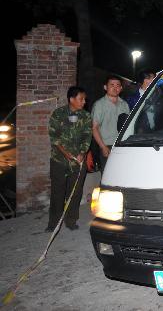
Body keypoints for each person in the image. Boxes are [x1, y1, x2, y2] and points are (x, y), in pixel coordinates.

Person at [47, 86, 92, 231]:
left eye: (84, 99)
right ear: (71, 99)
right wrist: (65, 153)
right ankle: (53, 223)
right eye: (81, 99)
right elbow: (54, 137)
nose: (84, 101)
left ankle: (71, 221)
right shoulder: (58, 114)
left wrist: (82, 153)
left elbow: (87, 136)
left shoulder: (85, 116)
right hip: (59, 160)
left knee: (75, 192)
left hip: (78, 162)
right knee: (57, 192)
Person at [92, 75, 130, 173]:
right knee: (107, 176)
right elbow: (94, 127)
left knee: (122, 174)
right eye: (112, 85)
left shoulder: (124, 104)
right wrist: (102, 146)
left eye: (118, 85)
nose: (115, 87)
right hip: (107, 146)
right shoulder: (99, 104)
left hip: (122, 145)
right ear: (105, 87)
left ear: (121, 88)